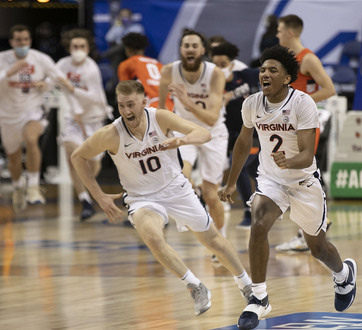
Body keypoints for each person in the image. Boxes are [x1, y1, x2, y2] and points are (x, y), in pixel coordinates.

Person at [70, 80, 253, 316]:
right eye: (121, 105)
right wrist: (99, 197)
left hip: (176, 189)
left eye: (131, 105)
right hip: (141, 198)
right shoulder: (111, 134)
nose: (126, 111)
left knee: (214, 241)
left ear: (144, 102)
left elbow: (203, 133)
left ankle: (246, 284)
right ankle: (195, 286)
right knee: (153, 239)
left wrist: (182, 140)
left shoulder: (160, 118)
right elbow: (77, 156)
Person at [219, 45, 356, 330]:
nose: (265, 74)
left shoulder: (303, 103)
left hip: (304, 181)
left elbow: (308, 155)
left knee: (317, 249)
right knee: (258, 223)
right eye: (262, 69)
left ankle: (343, 274)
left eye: (272, 70)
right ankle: (258, 298)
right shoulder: (252, 103)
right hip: (272, 180)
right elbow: (243, 142)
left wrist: (289, 160)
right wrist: (232, 181)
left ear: (287, 78)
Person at [159, 29, 229, 249]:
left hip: (213, 133)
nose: (190, 49)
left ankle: (221, 239)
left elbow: (211, 117)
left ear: (202, 50)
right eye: (186, 45)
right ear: (180, 49)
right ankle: (186, 198)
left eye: (194, 46)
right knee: (182, 174)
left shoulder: (215, 73)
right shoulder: (169, 71)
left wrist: (187, 101)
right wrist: (165, 131)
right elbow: (162, 108)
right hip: (185, 130)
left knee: (211, 194)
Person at [275, 14, 336, 252]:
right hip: (288, 124)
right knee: (290, 175)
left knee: (301, 173)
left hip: (305, 123)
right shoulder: (286, 59)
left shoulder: (307, 58)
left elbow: (329, 89)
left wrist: (300, 102)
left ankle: (309, 229)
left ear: (290, 32)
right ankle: (314, 225)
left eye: (280, 31)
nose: (277, 34)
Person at [0, 24, 74, 211]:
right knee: (14, 158)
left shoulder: (41, 59)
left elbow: (59, 77)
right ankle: (18, 187)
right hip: (8, 115)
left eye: (26, 39)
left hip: (34, 110)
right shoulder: (3, 59)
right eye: (18, 40)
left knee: (31, 139)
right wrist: (10, 71)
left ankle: (33, 186)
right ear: (11, 42)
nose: (22, 43)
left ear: (30, 40)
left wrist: (46, 84)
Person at [56, 28, 114, 221]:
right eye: (75, 46)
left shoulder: (91, 68)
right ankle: (85, 202)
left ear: (88, 49)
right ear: (69, 47)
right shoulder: (63, 64)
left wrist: (72, 89)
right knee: (73, 156)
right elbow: (52, 80)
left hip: (94, 119)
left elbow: (95, 99)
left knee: (92, 164)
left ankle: (87, 191)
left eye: (82, 46)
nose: (78, 49)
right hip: (72, 119)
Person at [211, 42, 261, 229]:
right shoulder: (212, 85)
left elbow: (272, 75)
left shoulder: (246, 75)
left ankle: (250, 211)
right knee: (251, 170)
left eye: (223, 64)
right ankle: (263, 206)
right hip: (229, 135)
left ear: (232, 64)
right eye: (216, 65)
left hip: (253, 132)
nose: (219, 69)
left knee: (238, 166)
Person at [118, 32, 174, 110]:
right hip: (171, 106)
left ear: (128, 49)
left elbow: (124, 93)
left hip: (151, 107)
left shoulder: (127, 64)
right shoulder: (158, 64)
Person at [103, 8, 145, 86]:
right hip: (120, 53)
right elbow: (108, 38)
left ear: (130, 17)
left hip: (132, 50)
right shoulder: (117, 27)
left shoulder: (136, 27)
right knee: (117, 56)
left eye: (126, 16)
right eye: (122, 16)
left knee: (124, 44)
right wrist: (117, 26)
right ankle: (117, 85)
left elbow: (137, 41)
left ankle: (104, 55)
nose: (124, 18)